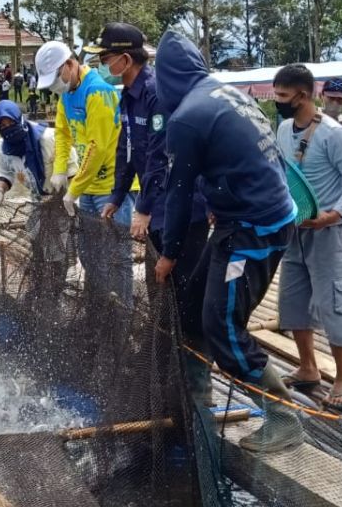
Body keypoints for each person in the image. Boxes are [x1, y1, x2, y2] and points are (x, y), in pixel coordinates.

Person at [154, 30, 303, 453]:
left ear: (166, 77)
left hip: (254, 230)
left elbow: (179, 193)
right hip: (251, 217)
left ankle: (283, 418)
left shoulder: (185, 118)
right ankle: (197, 400)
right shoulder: (225, 91)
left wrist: (168, 254)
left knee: (222, 326)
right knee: (191, 307)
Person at [88, 22, 213, 403]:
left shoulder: (157, 93)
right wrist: (117, 194)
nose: (102, 64)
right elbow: (130, 150)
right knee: (159, 287)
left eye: (106, 58)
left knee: (185, 292)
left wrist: (140, 209)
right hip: (154, 209)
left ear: (125, 59)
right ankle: (163, 361)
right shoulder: (127, 94)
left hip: (181, 209)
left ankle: (195, 380)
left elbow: (161, 157)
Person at [272, 64, 342, 413]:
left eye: (283, 96)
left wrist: (334, 214)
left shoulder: (333, 134)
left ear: (304, 95)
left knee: (335, 301)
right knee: (293, 299)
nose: (278, 101)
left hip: (330, 230)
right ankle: (308, 367)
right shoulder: (283, 129)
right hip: (297, 229)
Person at [35, 39, 132, 307]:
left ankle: (122, 311)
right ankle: (100, 305)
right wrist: (58, 172)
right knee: (89, 254)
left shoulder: (97, 92)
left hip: (113, 187)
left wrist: (74, 189)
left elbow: (97, 147)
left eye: (56, 77)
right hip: (88, 186)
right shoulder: (67, 95)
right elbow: (64, 136)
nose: (55, 85)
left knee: (117, 256)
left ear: (69, 64)